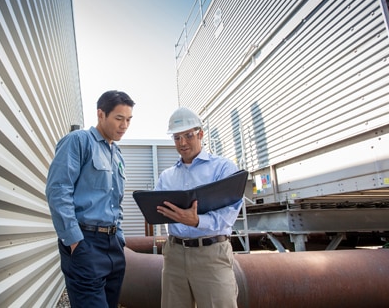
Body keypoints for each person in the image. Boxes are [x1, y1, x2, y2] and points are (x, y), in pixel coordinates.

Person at [45, 90, 135, 308]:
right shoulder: (78, 141)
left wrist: (119, 238)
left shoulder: (117, 154)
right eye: (119, 118)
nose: (124, 126)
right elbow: (58, 190)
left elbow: (116, 201)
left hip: (112, 245)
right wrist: (75, 242)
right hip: (85, 242)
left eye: (129, 120)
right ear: (101, 114)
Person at [155, 107, 242, 308]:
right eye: (177, 138)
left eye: (188, 135)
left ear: (200, 134)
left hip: (211, 254)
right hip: (174, 255)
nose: (182, 143)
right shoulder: (166, 177)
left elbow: (229, 214)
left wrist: (196, 221)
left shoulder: (223, 168)